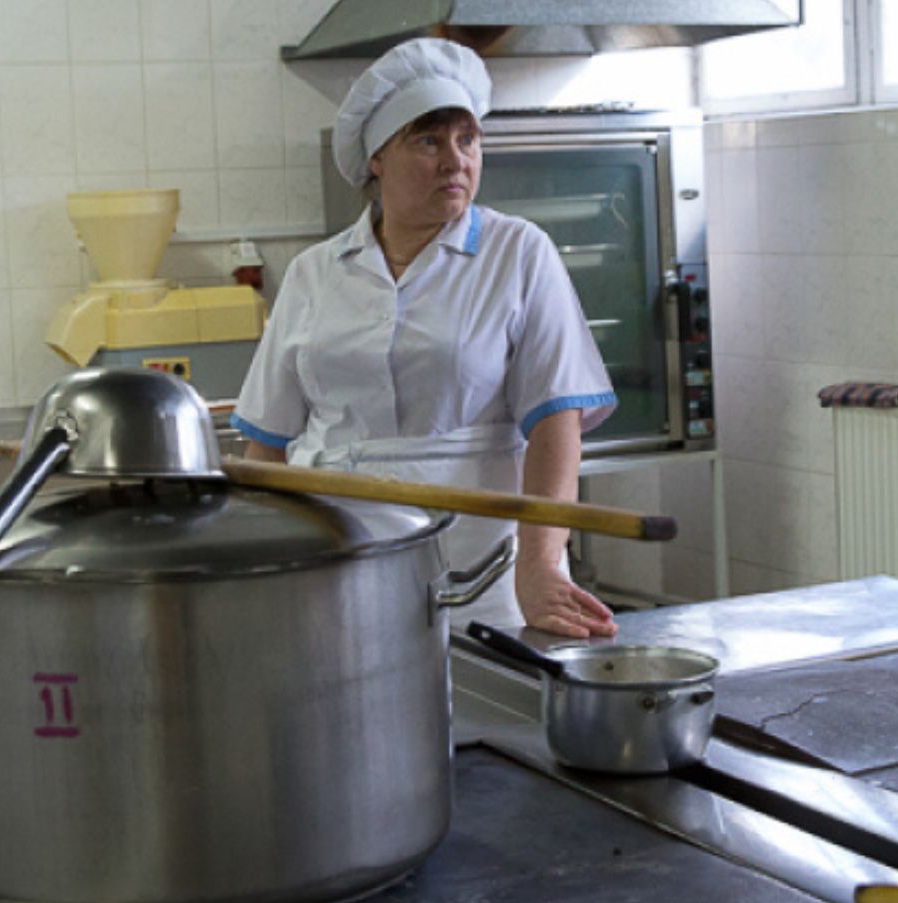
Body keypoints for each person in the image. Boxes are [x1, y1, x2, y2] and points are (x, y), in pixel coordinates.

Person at [232, 38, 617, 639]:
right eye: (429, 141)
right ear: (377, 158)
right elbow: (267, 445)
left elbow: (556, 420)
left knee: (489, 696)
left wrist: (541, 562)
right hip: (338, 555)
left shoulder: (518, 252)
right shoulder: (315, 272)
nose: (455, 161)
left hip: (482, 566)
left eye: (468, 140)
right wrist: (260, 564)